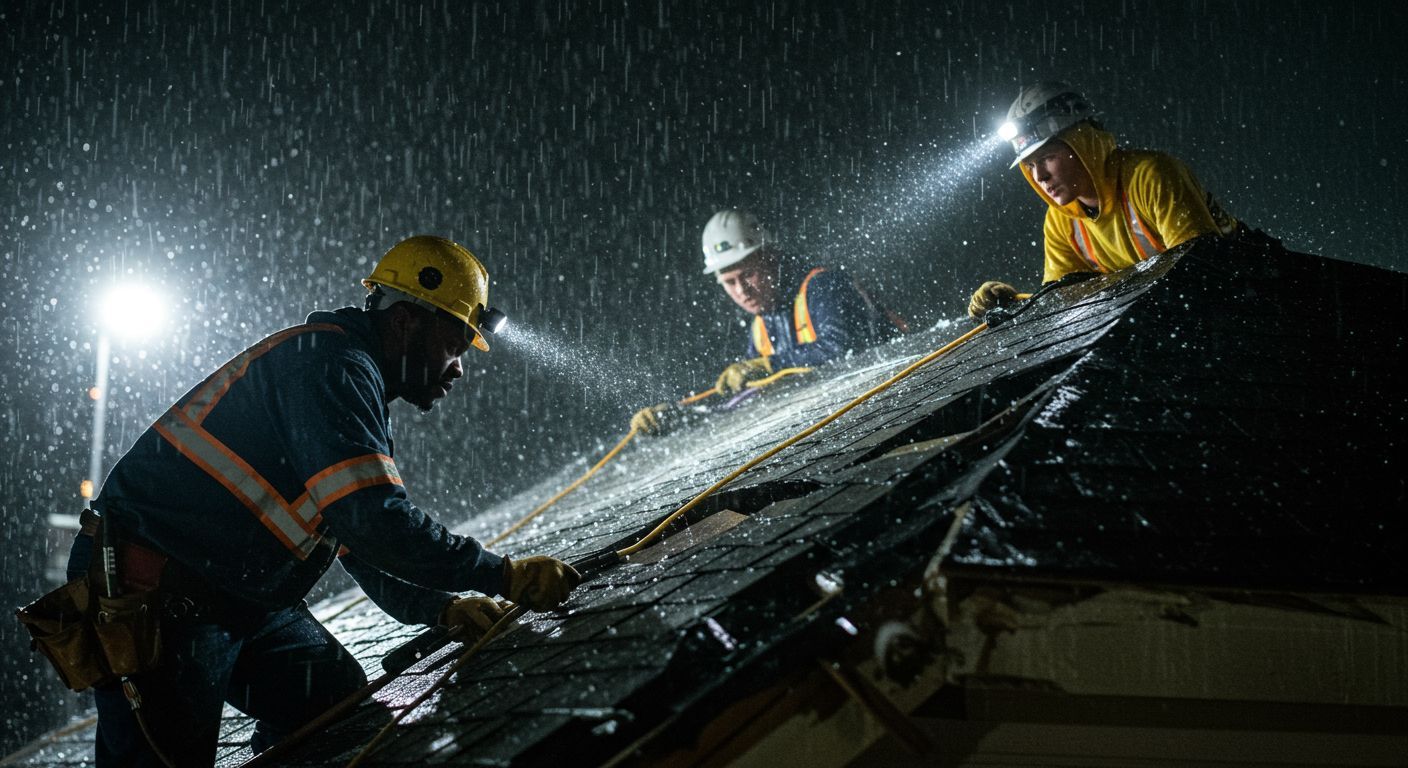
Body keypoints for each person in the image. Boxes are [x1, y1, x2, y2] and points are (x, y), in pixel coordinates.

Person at [65, 235, 582, 766]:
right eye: (454, 343)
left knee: (332, 709)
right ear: (407, 322)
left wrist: (440, 606)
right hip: (155, 592)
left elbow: (353, 539)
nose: (458, 367)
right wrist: (501, 575)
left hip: (235, 594)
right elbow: (372, 520)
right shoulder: (329, 367)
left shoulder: (349, 381)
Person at [969, 81, 1249, 318]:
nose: (1039, 176)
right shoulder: (1060, 220)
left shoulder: (1152, 176)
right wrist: (1015, 306)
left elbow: (1204, 273)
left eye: (1047, 158)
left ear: (1082, 143)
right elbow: (1065, 305)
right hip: (1172, 312)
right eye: (1029, 165)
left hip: (1250, 286)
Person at [632, 209, 896, 435]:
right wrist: (679, 417)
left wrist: (770, 365)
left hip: (885, 408)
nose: (742, 291)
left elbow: (847, 349)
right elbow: (747, 400)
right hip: (839, 422)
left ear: (772, 257)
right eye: (729, 282)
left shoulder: (823, 286)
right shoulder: (761, 326)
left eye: (748, 274)